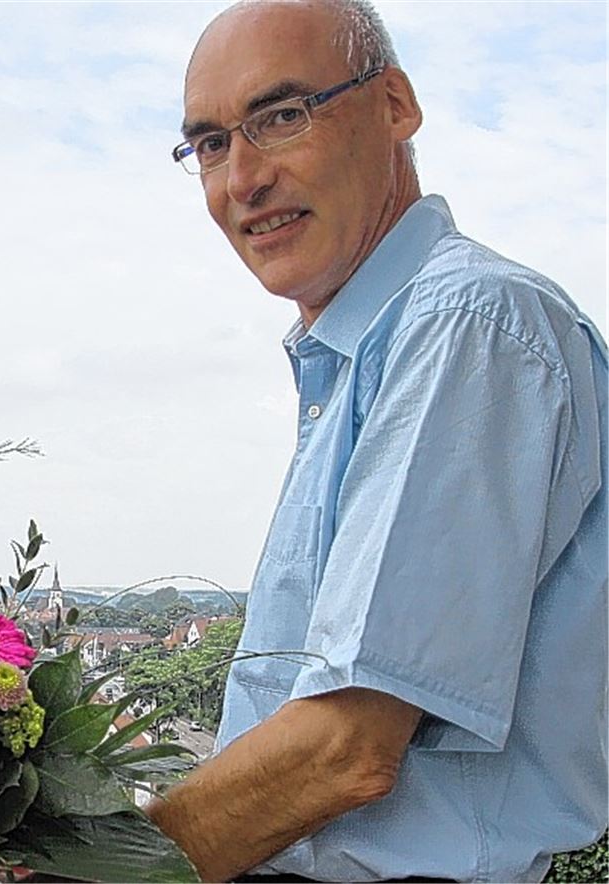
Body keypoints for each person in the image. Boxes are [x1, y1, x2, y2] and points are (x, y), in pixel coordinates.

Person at [146, 1, 608, 881]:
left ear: (395, 104)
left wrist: (97, 870)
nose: (242, 178)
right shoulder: (367, 353)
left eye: (281, 117)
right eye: (209, 143)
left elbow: (347, 746)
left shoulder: (467, 324)